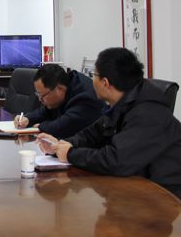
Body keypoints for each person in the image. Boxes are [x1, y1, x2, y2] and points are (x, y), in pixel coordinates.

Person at [38, 47, 181, 198]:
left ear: (105, 82)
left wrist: (70, 154)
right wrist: (59, 145)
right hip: (132, 188)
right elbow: (91, 135)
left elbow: (115, 160)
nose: (91, 80)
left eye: (94, 75)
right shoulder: (122, 104)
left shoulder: (149, 113)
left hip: (162, 197)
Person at [15, 64, 106, 138]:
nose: (40, 100)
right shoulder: (66, 84)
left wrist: (40, 126)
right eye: (38, 95)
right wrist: (28, 119)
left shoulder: (85, 97)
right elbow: (46, 111)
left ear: (60, 89)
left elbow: (62, 127)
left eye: (43, 96)